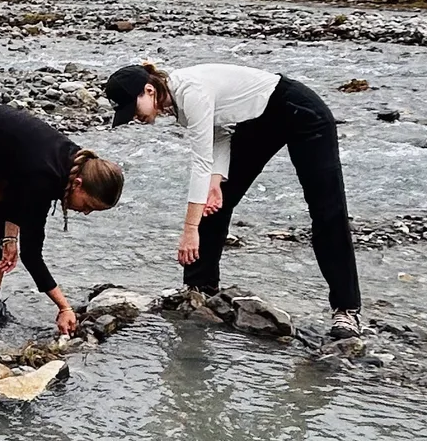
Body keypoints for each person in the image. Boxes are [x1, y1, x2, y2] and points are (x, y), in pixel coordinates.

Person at [102, 60, 361, 339]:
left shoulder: (190, 92)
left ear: (150, 90)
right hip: (259, 120)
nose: (134, 118)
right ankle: (200, 288)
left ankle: (346, 310)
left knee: (327, 212)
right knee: (214, 201)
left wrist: (189, 231)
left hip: (300, 111)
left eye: (133, 108)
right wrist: (217, 181)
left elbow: (200, 163)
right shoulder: (176, 100)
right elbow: (220, 133)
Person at [0, 105, 123, 342]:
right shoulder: (45, 175)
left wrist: (10, 237)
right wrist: (64, 307)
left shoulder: (69, 168)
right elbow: (32, 254)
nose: (86, 212)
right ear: (79, 184)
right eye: (89, 205)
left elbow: (19, 195)